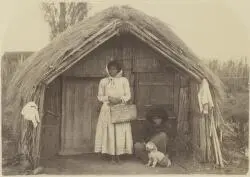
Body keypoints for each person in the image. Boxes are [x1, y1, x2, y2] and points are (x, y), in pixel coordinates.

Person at [94, 60, 133, 163]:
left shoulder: (124, 80)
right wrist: (109, 98)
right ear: (108, 70)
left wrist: (119, 100)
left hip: (120, 108)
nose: (112, 71)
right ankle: (111, 156)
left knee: (119, 132)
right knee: (109, 131)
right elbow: (100, 96)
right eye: (110, 69)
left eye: (114, 69)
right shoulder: (103, 81)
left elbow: (128, 95)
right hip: (107, 108)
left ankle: (119, 156)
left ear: (118, 70)